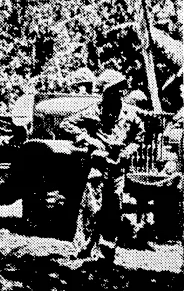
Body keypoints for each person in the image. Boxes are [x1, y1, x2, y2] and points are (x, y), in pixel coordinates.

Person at [60, 69, 144, 263]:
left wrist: (127, 151)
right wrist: (88, 140)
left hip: (117, 168)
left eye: (118, 90)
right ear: (105, 92)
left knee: (114, 210)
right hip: (98, 165)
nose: (115, 94)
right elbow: (67, 124)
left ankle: (107, 252)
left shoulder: (130, 113)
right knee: (91, 208)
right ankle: (82, 248)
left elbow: (139, 136)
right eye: (111, 91)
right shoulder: (95, 110)